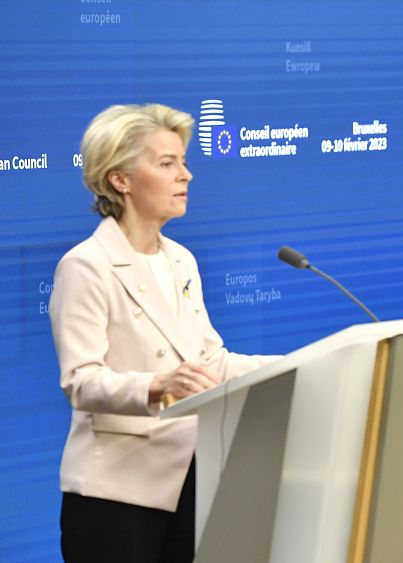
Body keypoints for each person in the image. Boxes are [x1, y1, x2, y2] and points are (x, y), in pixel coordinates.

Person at [50, 103, 278, 563]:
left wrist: (300, 362)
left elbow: (210, 361)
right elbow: (81, 381)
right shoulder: (86, 266)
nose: (186, 175)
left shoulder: (181, 260)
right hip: (116, 495)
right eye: (167, 163)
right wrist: (158, 384)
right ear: (121, 179)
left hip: (189, 479)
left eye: (184, 162)